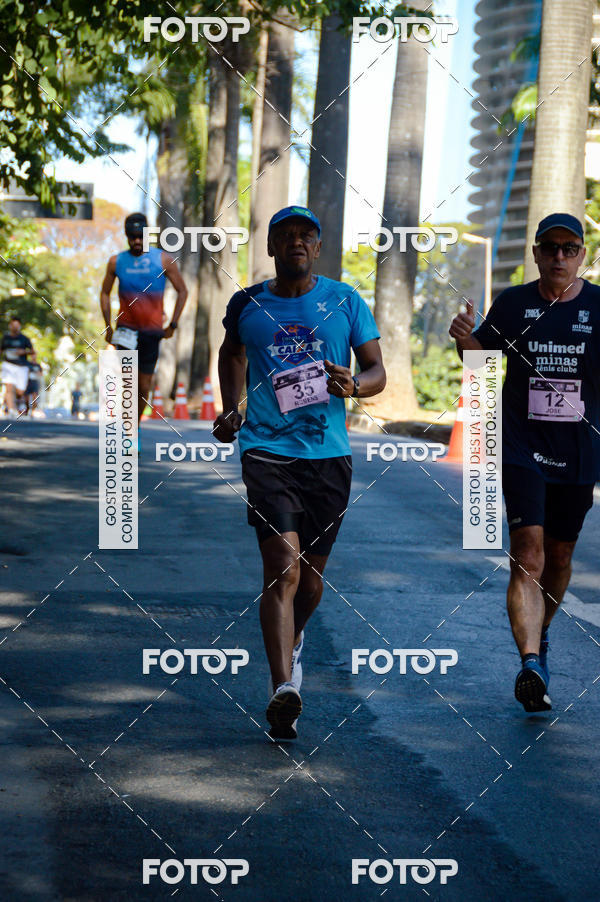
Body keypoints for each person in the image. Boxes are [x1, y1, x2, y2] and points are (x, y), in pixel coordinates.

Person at [213, 205, 386, 740]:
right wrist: (233, 407)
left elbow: (379, 372)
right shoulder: (247, 302)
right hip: (266, 449)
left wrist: (353, 386)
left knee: (311, 580)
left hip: (329, 455)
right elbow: (231, 352)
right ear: (269, 247)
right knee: (283, 570)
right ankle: (282, 688)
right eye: (284, 235)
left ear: (317, 247)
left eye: (305, 236)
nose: (295, 242)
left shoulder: (345, 299)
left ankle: (294, 640)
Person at [449, 212, 599, 712]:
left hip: (578, 451)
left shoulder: (599, 306)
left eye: (569, 248)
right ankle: (531, 661)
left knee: (558, 557)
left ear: (581, 255)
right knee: (528, 554)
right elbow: (481, 360)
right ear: (535, 253)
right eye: (550, 247)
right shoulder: (514, 303)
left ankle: (543, 635)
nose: (559, 256)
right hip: (520, 446)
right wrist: (462, 338)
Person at [99, 212, 188, 434]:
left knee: (144, 385)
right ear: (126, 236)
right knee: (129, 382)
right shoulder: (116, 261)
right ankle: (129, 431)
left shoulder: (163, 259)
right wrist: (108, 326)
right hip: (126, 331)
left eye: (140, 236)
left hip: (152, 332)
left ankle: (134, 427)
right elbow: (104, 293)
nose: (137, 241)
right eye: (132, 237)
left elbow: (183, 291)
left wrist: (173, 325)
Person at [1, 316, 33, 418]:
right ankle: (11, 410)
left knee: (20, 391)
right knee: (9, 387)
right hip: (8, 365)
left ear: (19, 326)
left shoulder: (24, 339)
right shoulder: (5, 338)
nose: (15, 327)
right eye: (13, 325)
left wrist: (23, 351)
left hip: (21, 366)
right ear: (10, 326)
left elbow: (32, 351)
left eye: (17, 325)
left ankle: (18, 402)